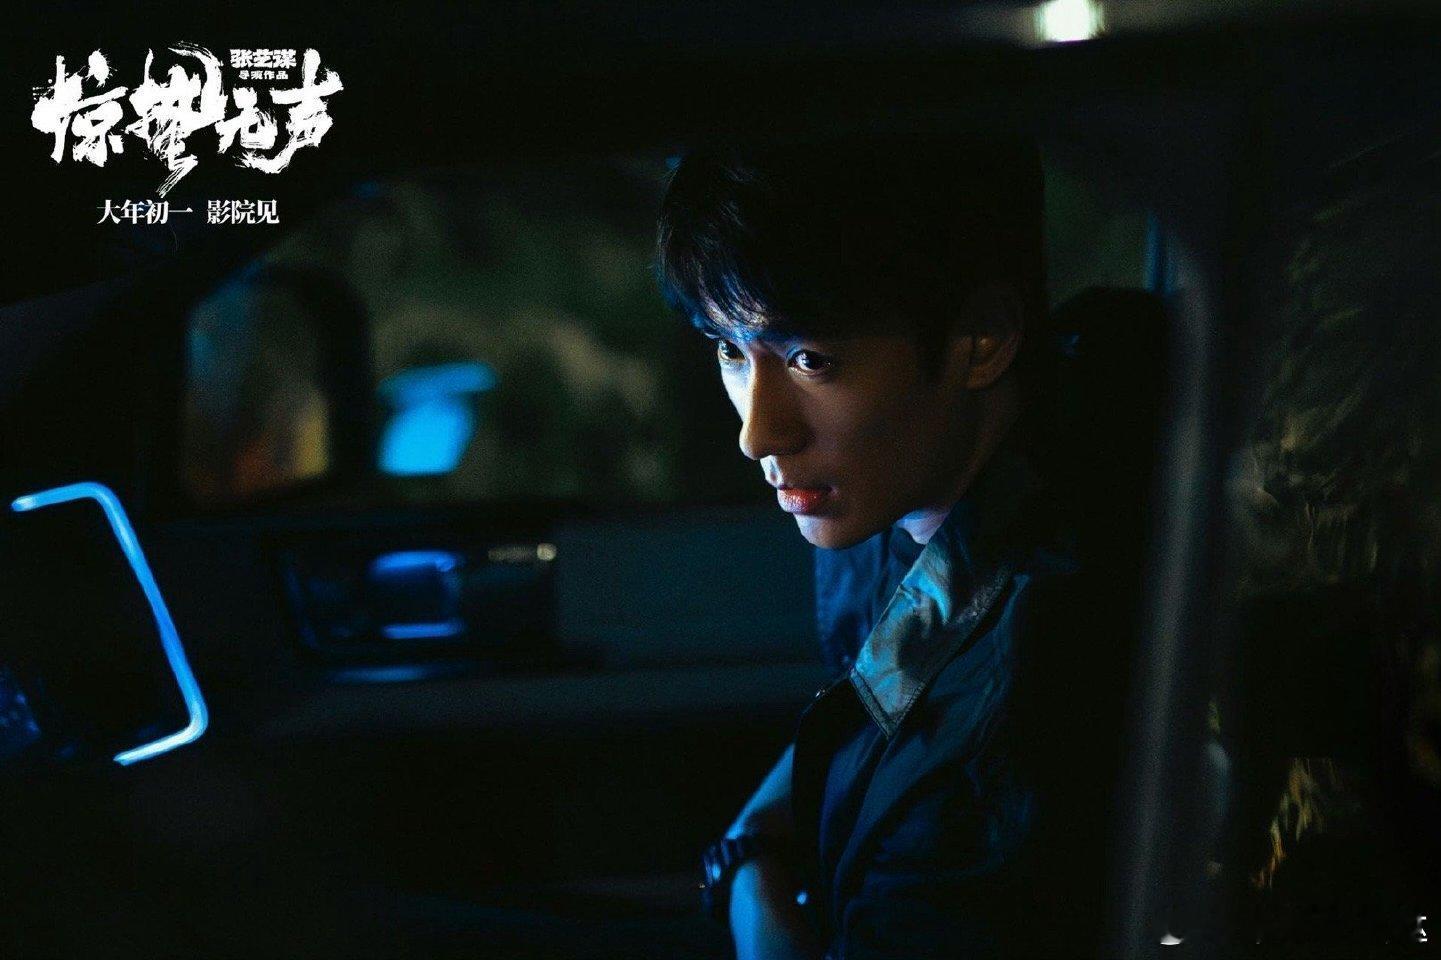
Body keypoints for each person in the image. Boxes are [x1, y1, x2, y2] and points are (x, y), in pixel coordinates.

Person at [656, 129, 1109, 959]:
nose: (758, 434)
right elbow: (868, 706)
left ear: (981, 339)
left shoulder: (1005, 739)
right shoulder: (905, 487)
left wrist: (750, 886)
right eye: (728, 349)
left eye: (809, 359)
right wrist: (755, 839)